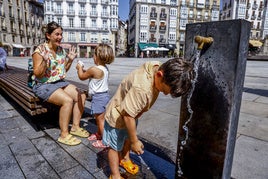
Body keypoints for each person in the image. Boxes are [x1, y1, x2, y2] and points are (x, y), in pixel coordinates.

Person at [102, 58, 194, 179]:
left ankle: (125, 158)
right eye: (165, 90)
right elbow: (127, 116)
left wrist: (132, 138)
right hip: (118, 117)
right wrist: (135, 142)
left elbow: (130, 117)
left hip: (132, 113)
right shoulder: (142, 90)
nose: (165, 94)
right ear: (160, 74)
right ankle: (115, 175)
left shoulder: (157, 66)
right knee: (114, 147)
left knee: (128, 137)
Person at [31, 21, 89, 146]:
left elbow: (63, 71)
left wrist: (70, 60)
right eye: (57, 34)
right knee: (67, 101)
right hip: (43, 85)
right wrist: (45, 62)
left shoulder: (61, 50)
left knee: (82, 95)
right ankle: (64, 135)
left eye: (61, 34)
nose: (60, 37)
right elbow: (38, 74)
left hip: (59, 82)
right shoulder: (40, 51)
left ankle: (75, 127)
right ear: (48, 35)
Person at [76, 43, 114, 148]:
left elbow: (81, 76)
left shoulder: (94, 69)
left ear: (98, 56)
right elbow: (89, 74)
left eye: (94, 54)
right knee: (100, 118)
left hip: (98, 98)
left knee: (100, 120)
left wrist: (79, 67)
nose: (93, 56)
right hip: (104, 96)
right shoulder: (104, 68)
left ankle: (104, 141)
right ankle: (99, 134)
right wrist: (84, 70)